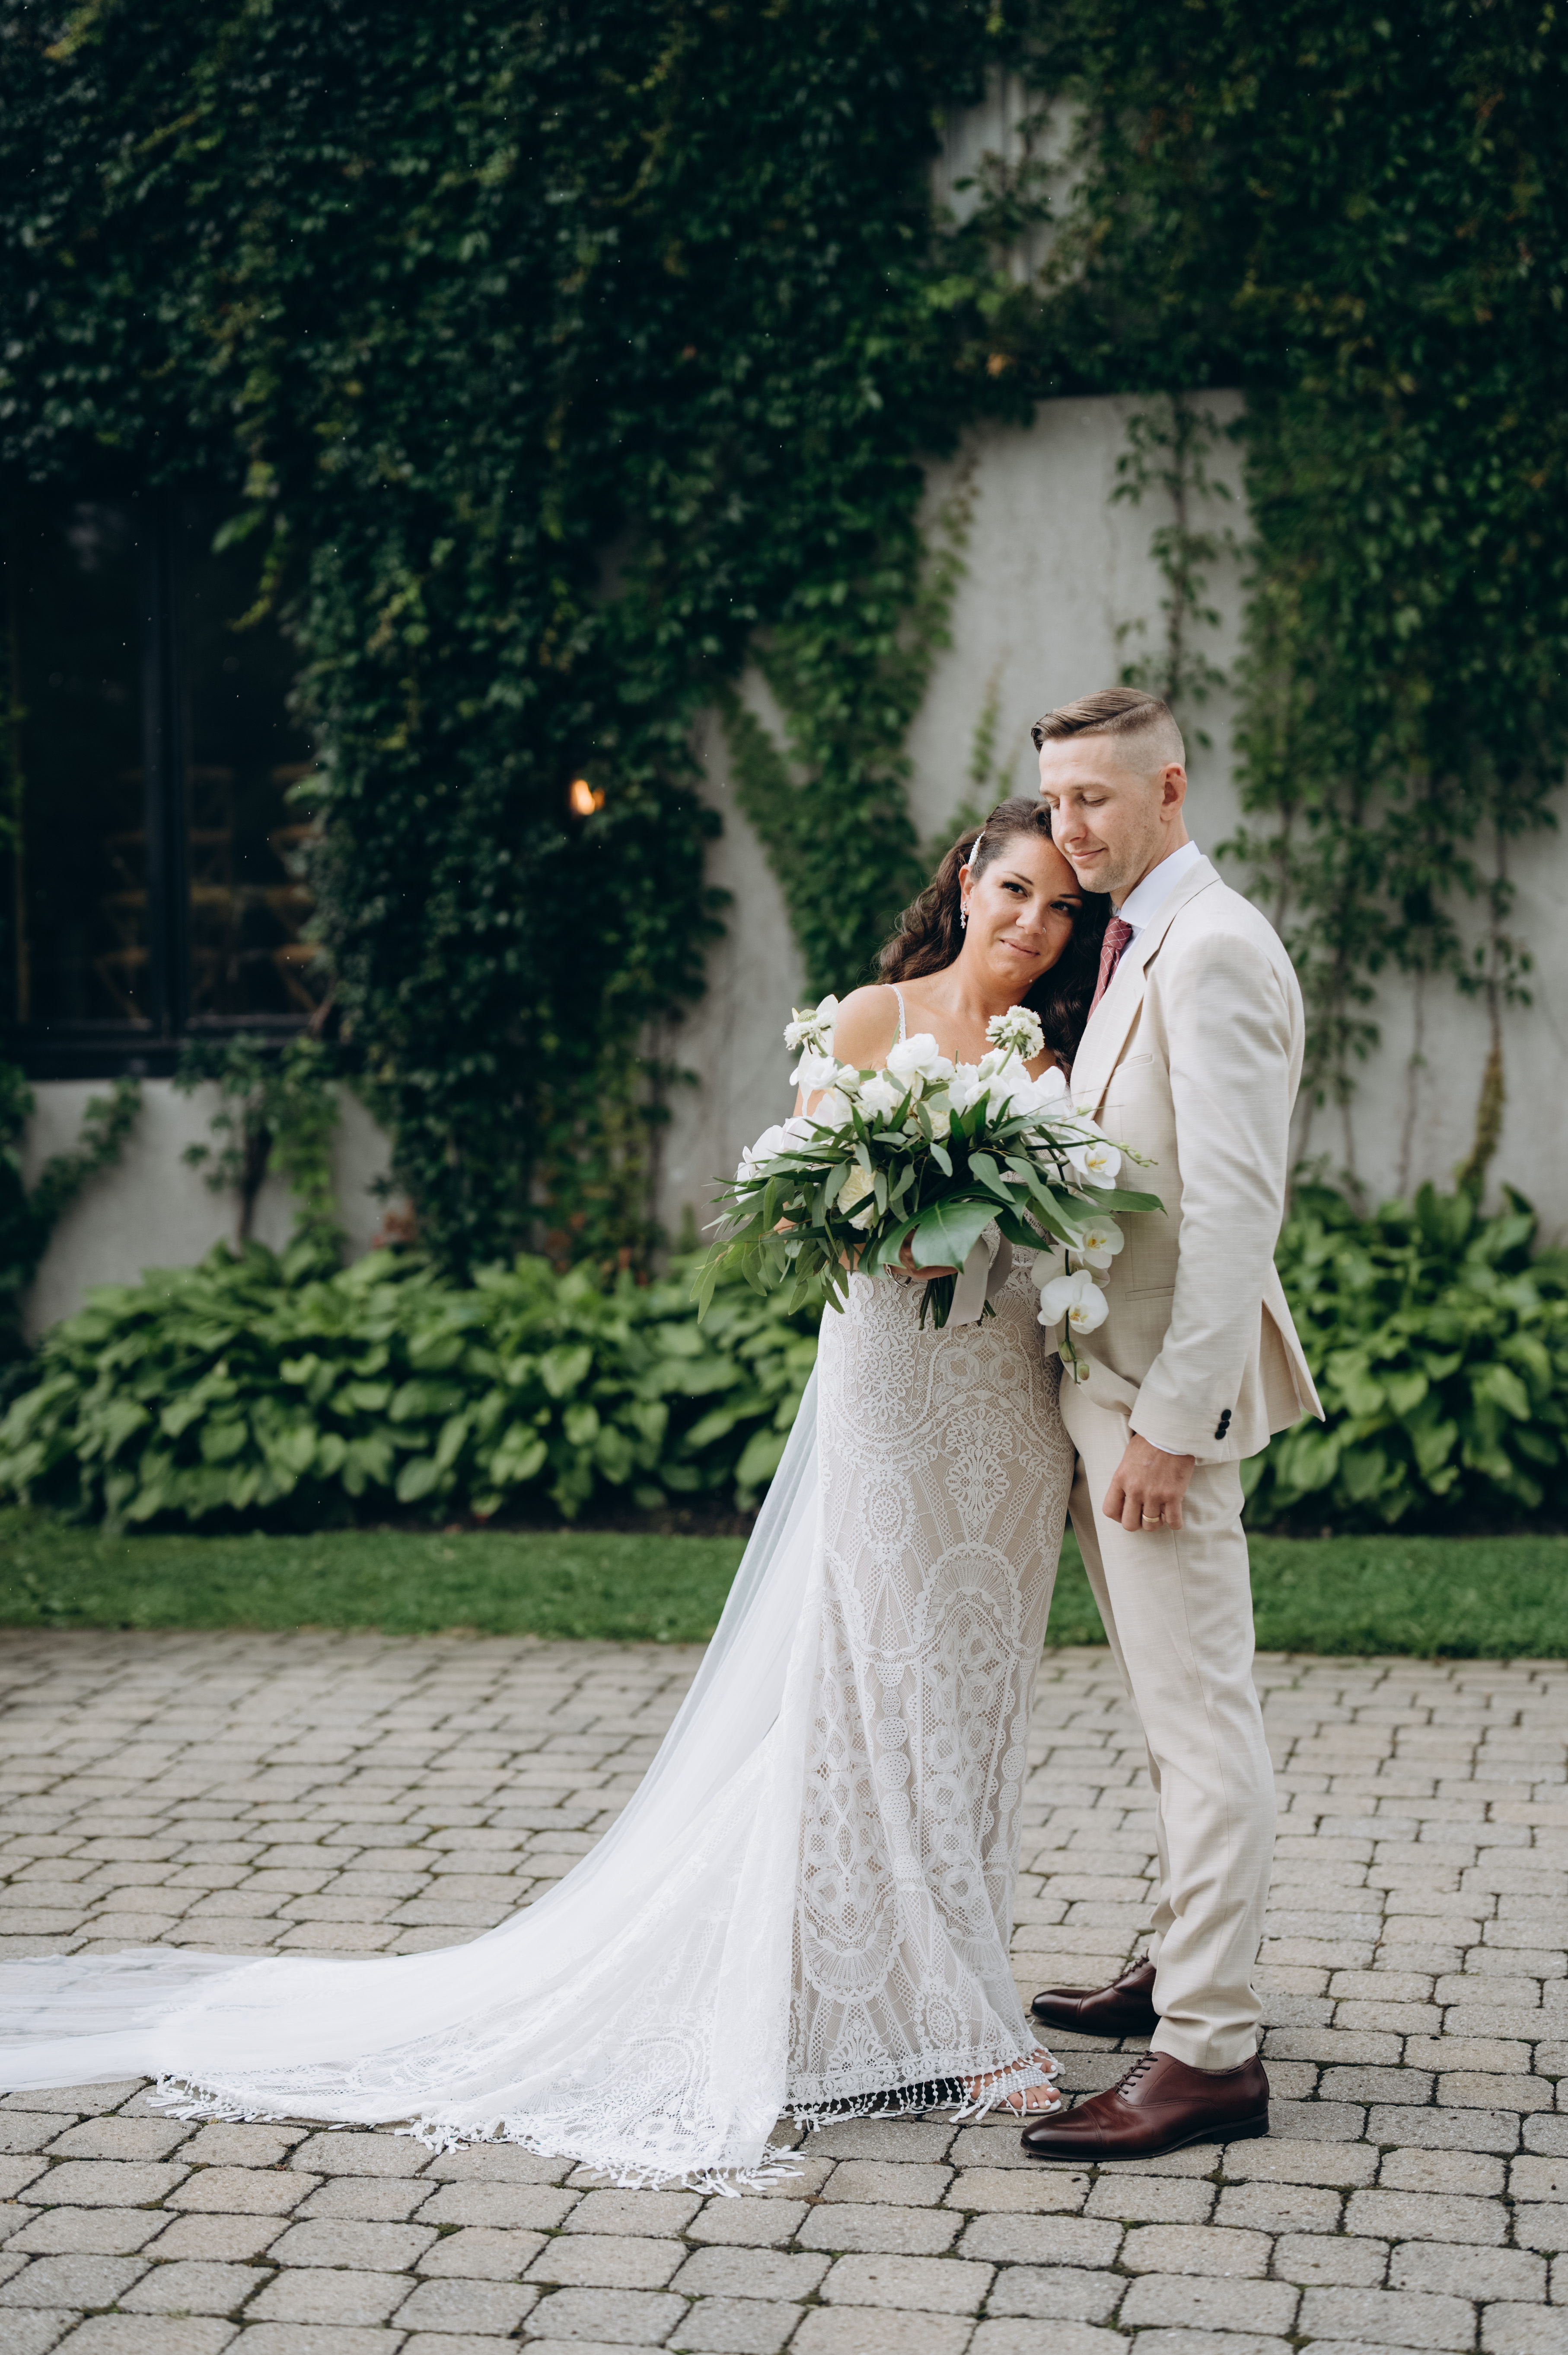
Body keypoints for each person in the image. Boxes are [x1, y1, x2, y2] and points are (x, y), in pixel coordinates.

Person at [0, 797, 1106, 2180]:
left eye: (1062, 908)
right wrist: (903, 1219)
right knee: (875, 1681)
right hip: (894, 1386)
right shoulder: (872, 1020)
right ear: (967, 878)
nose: (1032, 923)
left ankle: (925, 1976)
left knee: (969, 1691)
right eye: (1015, 889)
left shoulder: (1047, 1051)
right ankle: (944, 2018)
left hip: (1005, 1401)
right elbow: (811, 1206)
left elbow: (1066, 1220)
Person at [1021, 686, 1322, 2163]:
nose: (1068, 827)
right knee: (1166, 1707)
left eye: (1093, 797)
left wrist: (1171, 1425)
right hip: (1108, 1384)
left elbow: (1232, 1215)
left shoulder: (1211, 948)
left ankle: (1208, 2051)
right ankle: (1176, 1958)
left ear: (1169, 788)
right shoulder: (1138, 934)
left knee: (1202, 1722)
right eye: (1054, 800)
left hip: (1158, 1406)